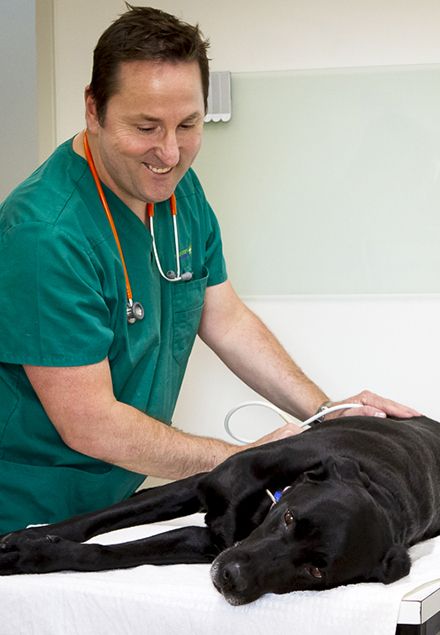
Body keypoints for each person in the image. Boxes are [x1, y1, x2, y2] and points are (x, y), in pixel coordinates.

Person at [0, 5, 418, 534]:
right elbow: (91, 423)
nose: (170, 152)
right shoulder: (46, 233)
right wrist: (242, 460)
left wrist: (324, 412)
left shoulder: (175, 193)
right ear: (93, 109)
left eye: (188, 124)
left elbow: (223, 317)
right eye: (146, 126)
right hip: (24, 511)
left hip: (109, 499)